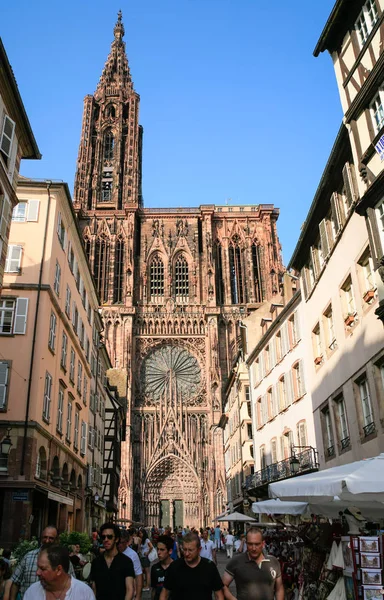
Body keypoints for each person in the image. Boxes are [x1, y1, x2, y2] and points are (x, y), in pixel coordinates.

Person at [10, 526, 75, 600]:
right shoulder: (28, 557)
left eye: (51, 538)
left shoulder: (63, 560)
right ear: (41, 538)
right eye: (45, 537)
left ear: (57, 540)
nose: (47, 541)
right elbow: (15, 582)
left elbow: (72, 585)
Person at [222, 527, 284, 600]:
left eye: (257, 544)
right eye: (250, 544)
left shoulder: (273, 562)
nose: (254, 548)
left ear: (263, 543)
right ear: (246, 543)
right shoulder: (236, 561)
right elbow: (223, 585)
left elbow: (279, 588)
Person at [159, 532, 224, 600]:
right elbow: (165, 593)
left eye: (190, 550)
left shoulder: (210, 567)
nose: (186, 553)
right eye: (184, 549)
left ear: (199, 549)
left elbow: (218, 595)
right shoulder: (174, 566)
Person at [23, 545, 94, 600]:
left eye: (43, 569)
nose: (37, 573)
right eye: (38, 567)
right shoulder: (32, 591)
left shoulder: (84, 593)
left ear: (59, 570)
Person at [90, 523, 134, 600]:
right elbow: (94, 589)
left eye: (109, 537)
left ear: (116, 539)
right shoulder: (96, 562)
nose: (106, 540)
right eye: (103, 537)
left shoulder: (126, 561)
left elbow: (130, 590)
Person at [117, 530, 143, 599]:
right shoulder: (113, 553)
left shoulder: (132, 555)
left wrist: (138, 596)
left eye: (122, 542)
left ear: (127, 542)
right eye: (118, 542)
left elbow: (139, 576)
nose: (119, 545)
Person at [150, 536, 173, 600]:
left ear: (170, 551)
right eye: (158, 549)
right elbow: (153, 590)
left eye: (162, 550)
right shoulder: (154, 568)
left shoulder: (176, 567)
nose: (158, 553)